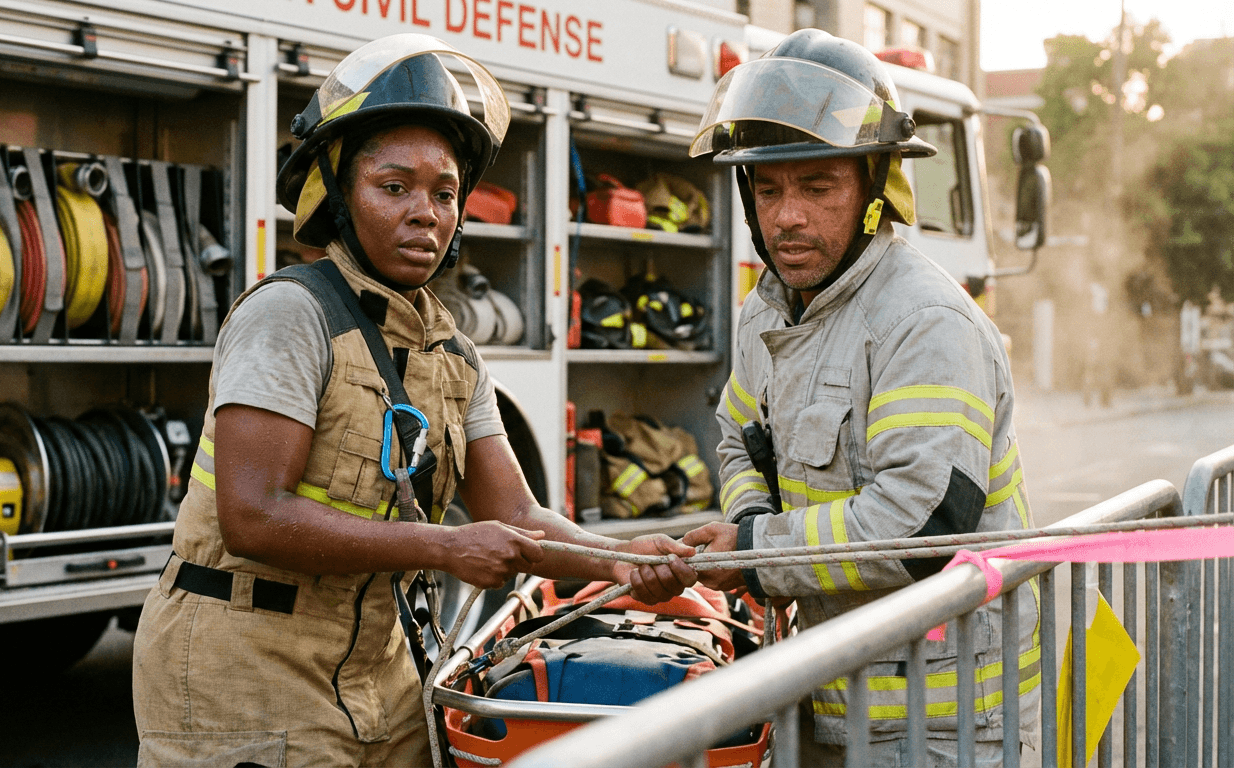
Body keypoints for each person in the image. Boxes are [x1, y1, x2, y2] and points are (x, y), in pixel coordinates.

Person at [132, 34, 696, 767]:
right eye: (393, 187)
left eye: (444, 192)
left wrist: (622, 560)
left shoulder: (452, 352)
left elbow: (518, 514)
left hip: (382, 670)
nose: (426, 212)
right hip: (246, 671)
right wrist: (446, 546)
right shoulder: (291, 315)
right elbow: (254, 515)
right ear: (336, 195)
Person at [681, 29, 1039, 766]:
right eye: (768, 188)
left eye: (818, 187)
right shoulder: (769, 310)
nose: (787, 217)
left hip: (949, 722)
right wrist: (750, 518)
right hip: (834, 694)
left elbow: (921, 521)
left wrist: (752, 554)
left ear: (875, 187)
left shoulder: (923, 321)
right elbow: (740, 437)